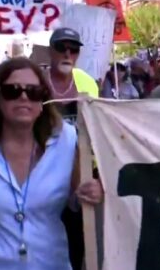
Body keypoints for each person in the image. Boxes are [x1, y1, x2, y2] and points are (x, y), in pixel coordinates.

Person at [0, 58, 102, 270]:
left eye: (33, 92)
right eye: (12, 90)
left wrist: (93, 191)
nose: (24, 97)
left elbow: (78, 198)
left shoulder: (66, 139)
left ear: (42, 102)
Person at [45, 27, 100, 270]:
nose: (68, 54)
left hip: (80, 173)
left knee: (78, 241)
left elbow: (98, 124)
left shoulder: (87, 82)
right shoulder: (37, 82)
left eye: (74, 49)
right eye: (61, 48)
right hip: (43, 173)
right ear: (50, 51)